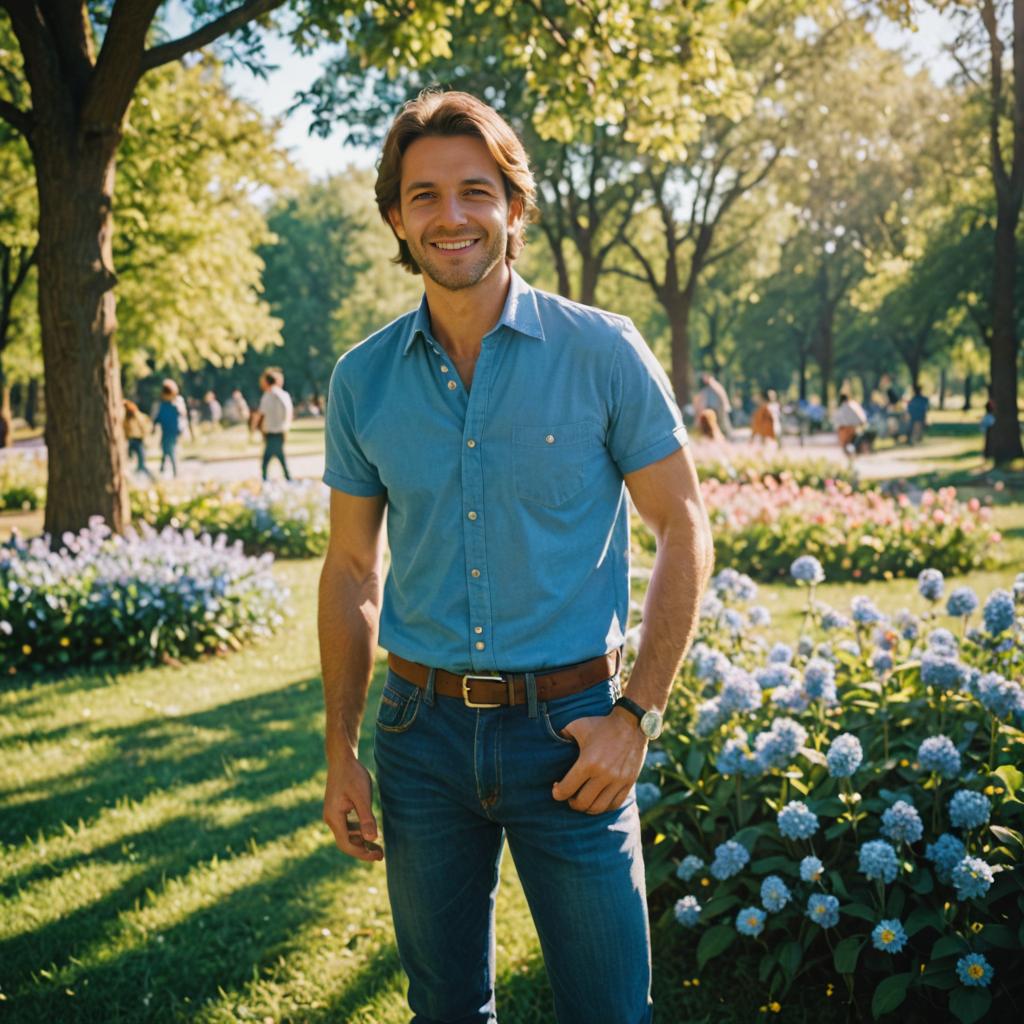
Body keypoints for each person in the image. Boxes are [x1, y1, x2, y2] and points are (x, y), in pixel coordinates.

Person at [318, 91, 714, 1024]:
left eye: (474, 191)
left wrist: (637, 717)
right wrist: (340, 747)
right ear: (396, 219)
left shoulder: (601, 350)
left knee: (609, 1012)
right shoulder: (361, 379)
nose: (450, 216)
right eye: (424, 196)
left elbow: (684, 524)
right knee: (445, 1011)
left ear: (514, 207)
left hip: (574, 734)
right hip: (420, 740)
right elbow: (348, 570)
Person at [255, 369, 293, 481]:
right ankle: (287, 478)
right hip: (281, 431)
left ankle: (267, 480)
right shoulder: (284, 395)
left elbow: (262, 414)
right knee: (279, 457)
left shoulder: (267, 395)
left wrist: (259, 428)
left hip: (271, 433)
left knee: (268, 460)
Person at [153, 379, 190, 477]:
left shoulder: (176, 403)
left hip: (173, 431)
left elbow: (183, 415)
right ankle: (162, 469)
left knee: (170, 450)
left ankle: (174, 472)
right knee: (165, 449)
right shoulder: (163, 404)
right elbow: (159, 416)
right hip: (165, 430)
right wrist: (154, 424)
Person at [693, 370, 732, 438]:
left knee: (720, 423)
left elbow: (722, 396)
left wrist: (725, 405)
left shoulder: (714, 385)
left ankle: (725, 436)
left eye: (705, 377)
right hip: (712, 407)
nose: (703, 379)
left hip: (716, 408)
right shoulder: (708, 387)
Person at [123, 400, 153, 479]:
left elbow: (143, 425)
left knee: (140, 458)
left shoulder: (135, 415)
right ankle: (138, 471)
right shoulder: (128, 416)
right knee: (137, 457)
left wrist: (144, 434)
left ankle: (141, 472)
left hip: (136, 439)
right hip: (132, 439)